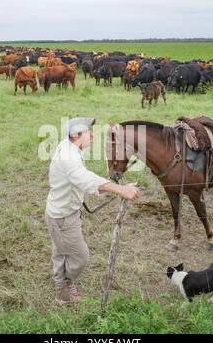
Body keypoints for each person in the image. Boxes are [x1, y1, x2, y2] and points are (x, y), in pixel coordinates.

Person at [45, 117, 141, 305]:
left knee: (61, 252)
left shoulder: (70, 146)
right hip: (63, 217)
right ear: (76, 135)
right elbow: (86, 179)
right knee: (80, 257)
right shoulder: (69, 158)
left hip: (63, 212)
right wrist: (122, 190)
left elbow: (84, 179)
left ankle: (61, 291)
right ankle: (64, 285)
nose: (92, 135)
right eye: (88, 132)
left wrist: (117, 188)